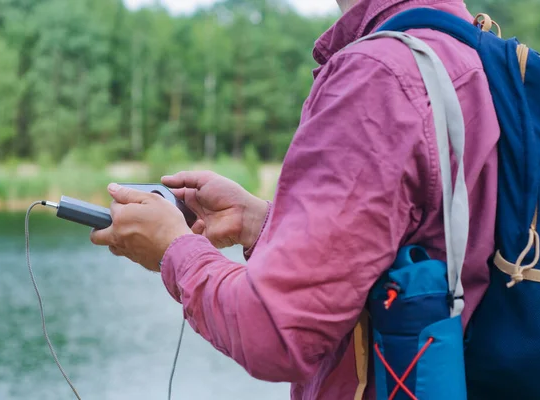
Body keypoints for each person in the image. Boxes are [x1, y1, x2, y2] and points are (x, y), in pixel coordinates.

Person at [90, 0, 500, 398]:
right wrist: (261, 225)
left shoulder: (379, 76)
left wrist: (174, 251)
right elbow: (426, 240)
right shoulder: (472, 49)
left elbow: (275, 332)